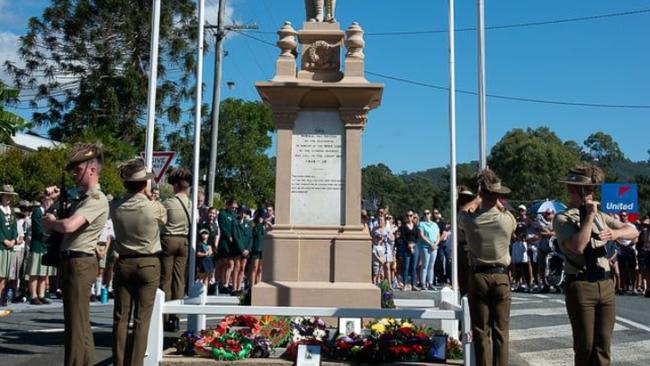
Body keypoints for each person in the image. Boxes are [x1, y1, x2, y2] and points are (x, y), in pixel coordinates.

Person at [553, 164, 638, 366]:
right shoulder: (563, 218)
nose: (590, 194)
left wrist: (616, 234)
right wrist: (589, 216)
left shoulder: (602, 216)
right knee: (585, 347)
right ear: (573, 190)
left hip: (605, 283)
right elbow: (578, 246)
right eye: (586, 190)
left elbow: (633, 231)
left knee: (603, 347)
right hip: (581, 285)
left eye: (591, 189)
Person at [43, 143, 109, 366]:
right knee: (78, 325)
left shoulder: (96, 199)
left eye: (78, 169)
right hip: (73, 261)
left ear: (92, 169)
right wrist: (50, 202)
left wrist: (53, 224)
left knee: (75, 327)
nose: (74, 174)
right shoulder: (81, 198)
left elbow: (70, 226)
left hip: (80, 261)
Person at [110, 158, 166, 366]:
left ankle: (119, 361)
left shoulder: (116, 205)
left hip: (124, 262)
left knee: (121, 318)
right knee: (141, 320)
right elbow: (164, 220)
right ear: (144, 184)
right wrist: (151, 197)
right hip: (149, 262)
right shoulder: (155, 207)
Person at [460, 169, 516, 366]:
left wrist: (476, 199)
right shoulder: (507, 220)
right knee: (501, 331)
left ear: (481, 193)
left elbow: (463, 212)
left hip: (478, 276)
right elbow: (506, 213)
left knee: (480, 331)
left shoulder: (470, 220)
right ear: (498, 195)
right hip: (501, 276)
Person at [159, 167, 192, 332]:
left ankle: (165, 317)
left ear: (177, 185)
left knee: (166, 279)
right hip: (184, 240)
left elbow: (160, 221)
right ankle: (176, 317)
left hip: (168, 239)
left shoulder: (168, 203)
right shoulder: (191, 204)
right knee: (179, 280)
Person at [26, 193, 56, 305]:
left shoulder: (52, 213)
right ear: (43, 200)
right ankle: (33, 295)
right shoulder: (37, 211)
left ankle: (41, 295)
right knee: (34, 272)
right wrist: (48, 236)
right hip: (38, 245)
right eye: (47, 199)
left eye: (51, 200)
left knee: (44, 273)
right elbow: (38, 228)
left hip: (47, 246)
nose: (49, 201)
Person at [456, 186, 476, 297]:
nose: (465, 200)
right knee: (462, 276)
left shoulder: (471, 213)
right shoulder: (458, 212)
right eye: (463, 198)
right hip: (460, 246)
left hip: (469, 245)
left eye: (467, 198)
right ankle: (464, 297)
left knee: (469, 276)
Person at [0, 184, 18, 306]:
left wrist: (13, 240)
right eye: (7, 195)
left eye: (10, 196)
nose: (9, 198)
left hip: (10, 246)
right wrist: (3, 239)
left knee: (6, 274)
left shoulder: (12, 210)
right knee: (0, 274)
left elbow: (14, 227)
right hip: (1, 246)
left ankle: (3, 296)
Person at [92, 211, 114, 302]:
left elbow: (109, 238)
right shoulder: (97, 221)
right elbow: (94, 237)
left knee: (101, 269)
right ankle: (92, 291)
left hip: (104, 246)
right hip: (95, 245)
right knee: (94, 268)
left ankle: (98, 292)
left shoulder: (109, 223)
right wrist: (97, 249)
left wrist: (105, 250)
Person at [217, 199, 238, 293]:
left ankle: (226, 283)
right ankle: (221, 283)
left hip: (233, 243)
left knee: (231, 264)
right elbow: (222, 226)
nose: (234, 209)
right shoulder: (222, 214)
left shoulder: (234, 215)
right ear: (228, 205)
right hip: (225, 242)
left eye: (235, 207)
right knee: (224, 263)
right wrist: (228, 236)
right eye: (232, 207)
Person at [231, 206, 252, 296]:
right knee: (237, 267)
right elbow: (236, 237)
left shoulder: (248, 223)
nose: (243, 214)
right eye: (241, 212)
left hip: (246, 249)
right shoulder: (235, 222)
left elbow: (250, 237)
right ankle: (234, 288)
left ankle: (239, 287)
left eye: (244, 212)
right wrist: (242, 249)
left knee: (243, 268)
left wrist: (248, 249)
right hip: (238, 248)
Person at [418, 209, 440, 290]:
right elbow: (422, 235)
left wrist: (435, 244)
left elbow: (438, 236)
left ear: (430, 214)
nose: (426, 215)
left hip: (434, 247)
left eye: (427, 213)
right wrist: (430, 244)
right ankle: (423, 283)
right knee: (425, 265)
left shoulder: (435, 224)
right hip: (425, 247)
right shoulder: (421, 224)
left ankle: (430, 283)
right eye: (424, 214)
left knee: (431, 266)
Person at [400, 210, 420, 291]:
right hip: (406, 247)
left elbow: (417, 237)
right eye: (408, 215)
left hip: (414, 246)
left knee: (414, 267)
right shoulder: (403, 226)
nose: (409, 217)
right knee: (406, 266)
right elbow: (403, 237)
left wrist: (413, 244)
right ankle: (405, 284)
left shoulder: (415, 226)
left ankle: (413, 284)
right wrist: (408, 245)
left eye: (411, 215)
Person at [372, 216, 394, 286]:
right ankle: (378, 283)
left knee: (387, 266)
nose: (380, 222)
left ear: (384, 221)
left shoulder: (387, 229)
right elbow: (372, 238)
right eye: (378, 220)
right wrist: (377, 238)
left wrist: (388, 237)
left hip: (386, 248)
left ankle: (389, 284)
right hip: (379, 249)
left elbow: (392, 239)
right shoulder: (375, 229)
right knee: (379, 267)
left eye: (381, 220)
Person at [249, 209, 266, 286]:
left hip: (263, 250)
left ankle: (258, 284)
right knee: (254, 268)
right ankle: (252, 286)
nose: (260, 218)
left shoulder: (265, 226)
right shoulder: (254, 225)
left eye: (262, 217)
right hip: (255, 249)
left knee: (260, 269)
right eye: (259, 217)